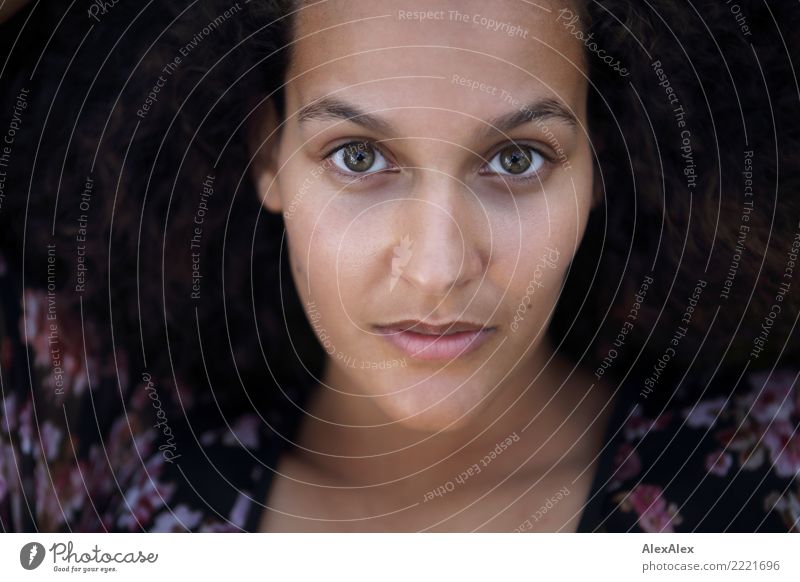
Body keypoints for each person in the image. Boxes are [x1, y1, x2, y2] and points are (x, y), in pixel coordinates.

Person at [0, 0, 798, 533]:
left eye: (517, 158)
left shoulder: (774, 471)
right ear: (266, 152)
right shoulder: (91, 461)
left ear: (599, 160)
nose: (437, 268)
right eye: (357, 155)